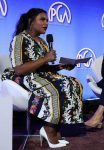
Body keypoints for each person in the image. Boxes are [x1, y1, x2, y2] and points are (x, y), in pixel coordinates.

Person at [1, 8, 83, 148]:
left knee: (74, 82)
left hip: (40, 74)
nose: (46, 23)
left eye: (47, 20)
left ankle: (56, 128)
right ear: (30, 21)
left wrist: (62, 66)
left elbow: (44, 68)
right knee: (55, 87)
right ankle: (48, 129)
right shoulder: (20, 39)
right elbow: (19, 69)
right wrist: (45, 58)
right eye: (42, 19)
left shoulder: (43, 42)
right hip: (21, 77)